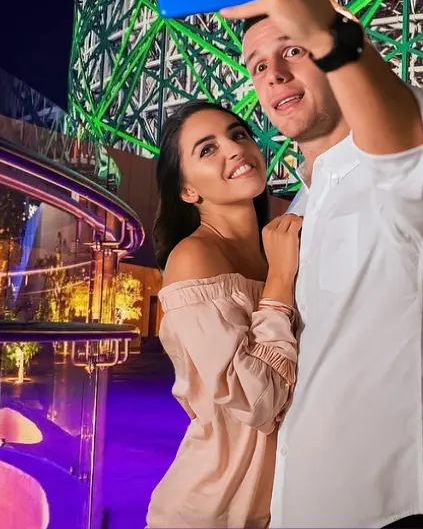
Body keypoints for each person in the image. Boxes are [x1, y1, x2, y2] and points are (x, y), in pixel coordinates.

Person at [202, 0, 423, 528]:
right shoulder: (308, 200)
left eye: (292, 50)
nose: (274, 73)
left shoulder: (407, 170)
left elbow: (404, 152)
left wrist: (328, 32)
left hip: (397, 508)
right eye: (258, 65)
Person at [145, 100, 304, 529]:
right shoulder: (194, 258)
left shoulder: (278, 251)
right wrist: (280, 281)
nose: (234, 149)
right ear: (188, 191)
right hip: (210, 510)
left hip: (282, 504)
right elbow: (258, 401)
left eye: (238, 135)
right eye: (207, 149)